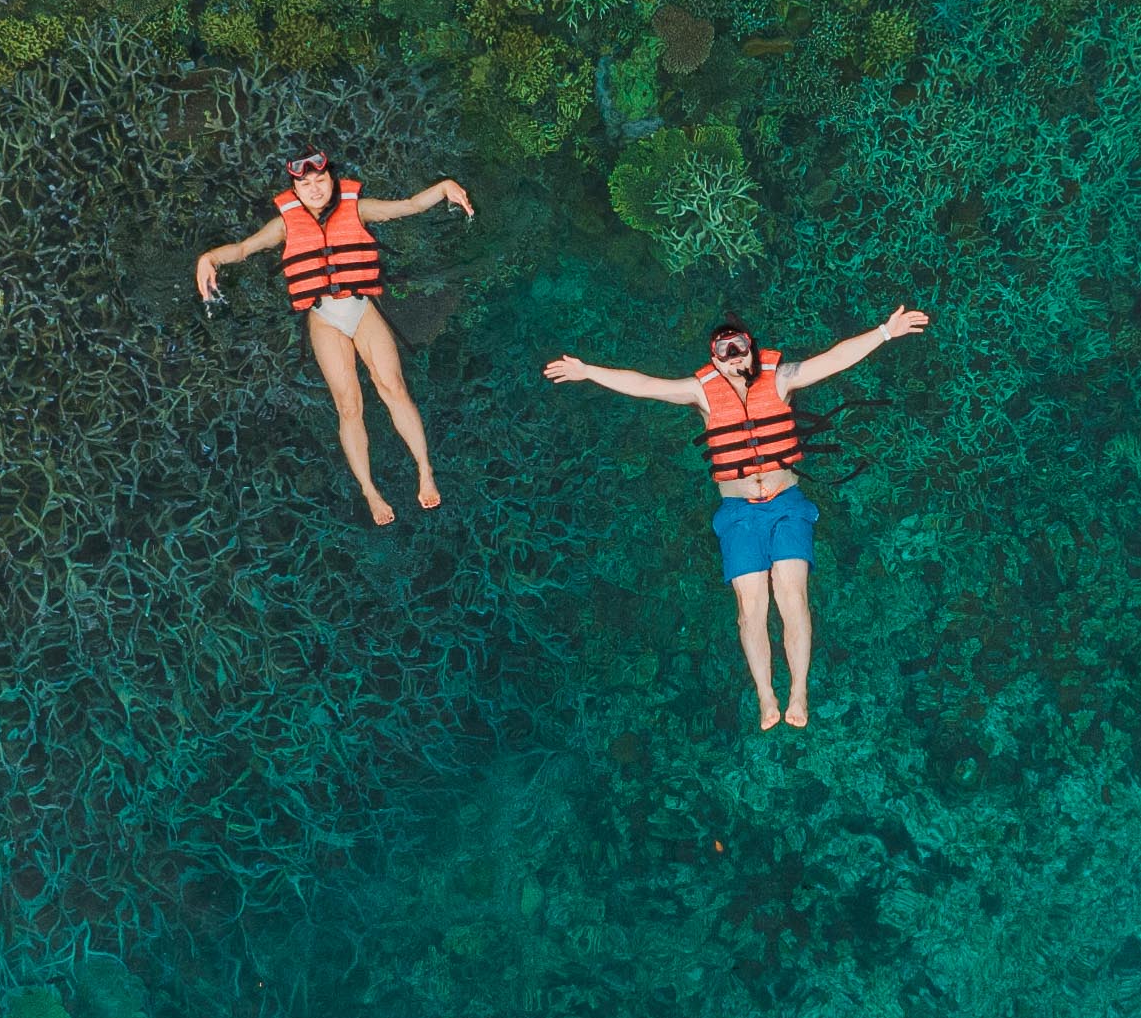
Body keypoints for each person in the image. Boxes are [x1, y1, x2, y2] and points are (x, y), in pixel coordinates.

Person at [544, 306, 929, 730]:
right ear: (714, 358)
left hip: (786, 504)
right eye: (724, 352)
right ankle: (767, 694)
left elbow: (834, 359)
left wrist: (885, 332)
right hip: (739, 514)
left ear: (751, 348)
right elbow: (644, 385)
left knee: (792, 596)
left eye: (740, 347)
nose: (734, 357)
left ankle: (798, 689)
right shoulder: (702, 392)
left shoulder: (780, 378)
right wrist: (589, 371)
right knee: (750, 609)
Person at [195, 150, 475, 525]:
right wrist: (209, 258)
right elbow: (244, 249)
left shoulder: (357, 208)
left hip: (361, 309)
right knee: (348, 405)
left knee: (392, 387)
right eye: (304, 184)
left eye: (320, 180)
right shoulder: (284, 225)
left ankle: (425, 471)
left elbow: (407, 206)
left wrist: (442, 188)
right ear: (294, 188)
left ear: (332, 179)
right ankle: (370, 491)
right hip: (324, 319)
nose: (314, 189)